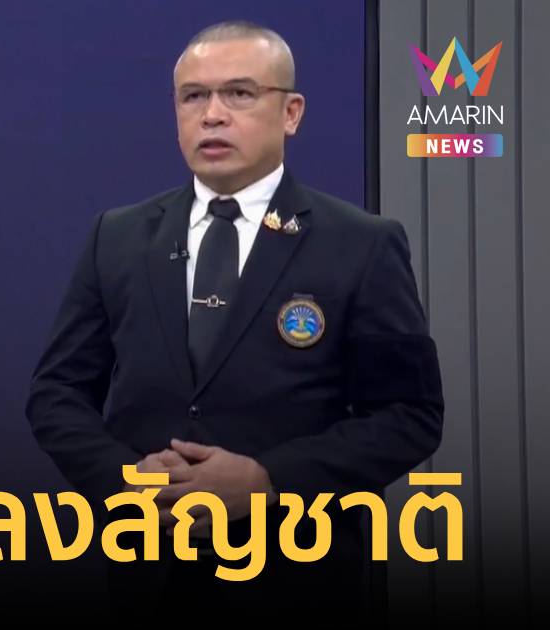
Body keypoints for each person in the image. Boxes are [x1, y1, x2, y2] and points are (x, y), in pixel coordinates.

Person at [24, 20, 444, 622]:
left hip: (297, 581)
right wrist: (127, 481)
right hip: (149, 577)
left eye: (240, 93)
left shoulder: (361, 244)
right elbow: (57, 393)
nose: (212, 115)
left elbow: (410, 415)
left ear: (291, 113)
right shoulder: (116, 237)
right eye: (193, 96)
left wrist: (268, 480)